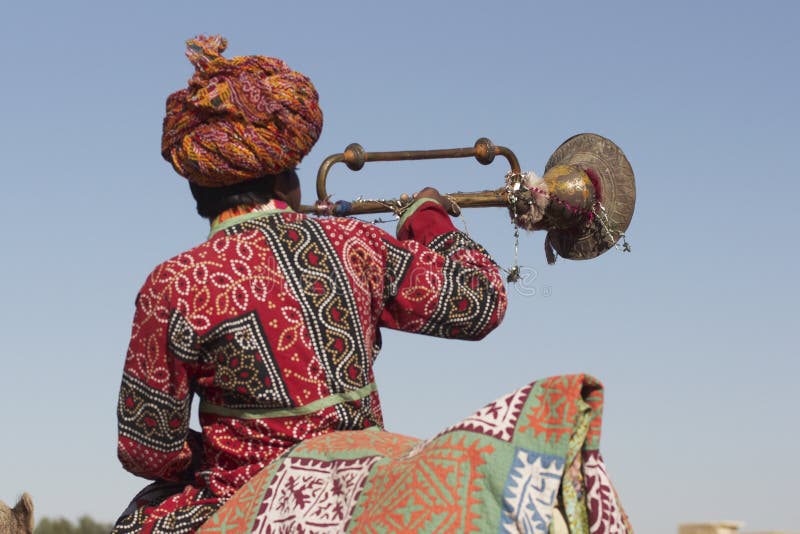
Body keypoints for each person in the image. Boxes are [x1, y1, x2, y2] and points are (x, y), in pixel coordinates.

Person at [112, 35, 508, 533]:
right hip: (363, 479)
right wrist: (428, 219)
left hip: (244, 493)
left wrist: (220, 449)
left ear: (198, 186)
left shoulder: (174, 285)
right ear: (287, 180)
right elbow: (481, 301)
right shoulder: (355, 245)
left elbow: (146, 449)